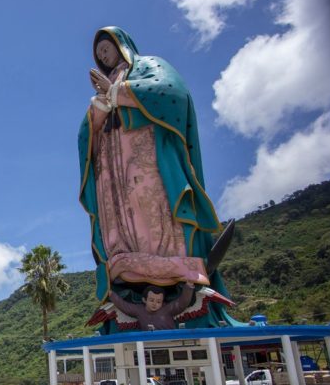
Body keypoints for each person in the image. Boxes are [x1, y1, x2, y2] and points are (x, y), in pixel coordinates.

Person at [78, 27, 233, 331]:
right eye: (99, 54)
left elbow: (171, 92)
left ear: (122, 45)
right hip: (112, 168)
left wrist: (118, 92)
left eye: (107, 49)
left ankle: (174, 269)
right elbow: (86, 136)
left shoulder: (148, 67)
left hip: (144, 155)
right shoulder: (103, 88)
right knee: (120, 218)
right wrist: (98, 109)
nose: (103, 56)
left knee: (154, 208)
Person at [109, 282, 195, 331]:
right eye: (151, 300)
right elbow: (124, 306)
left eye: (158, 301)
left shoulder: (167, 309)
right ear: (144, 300)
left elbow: (182, 303)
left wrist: (188, 287)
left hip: (169, 338)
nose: (155, 304)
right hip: (148, 341)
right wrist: (111, 294)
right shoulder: (139, 310)